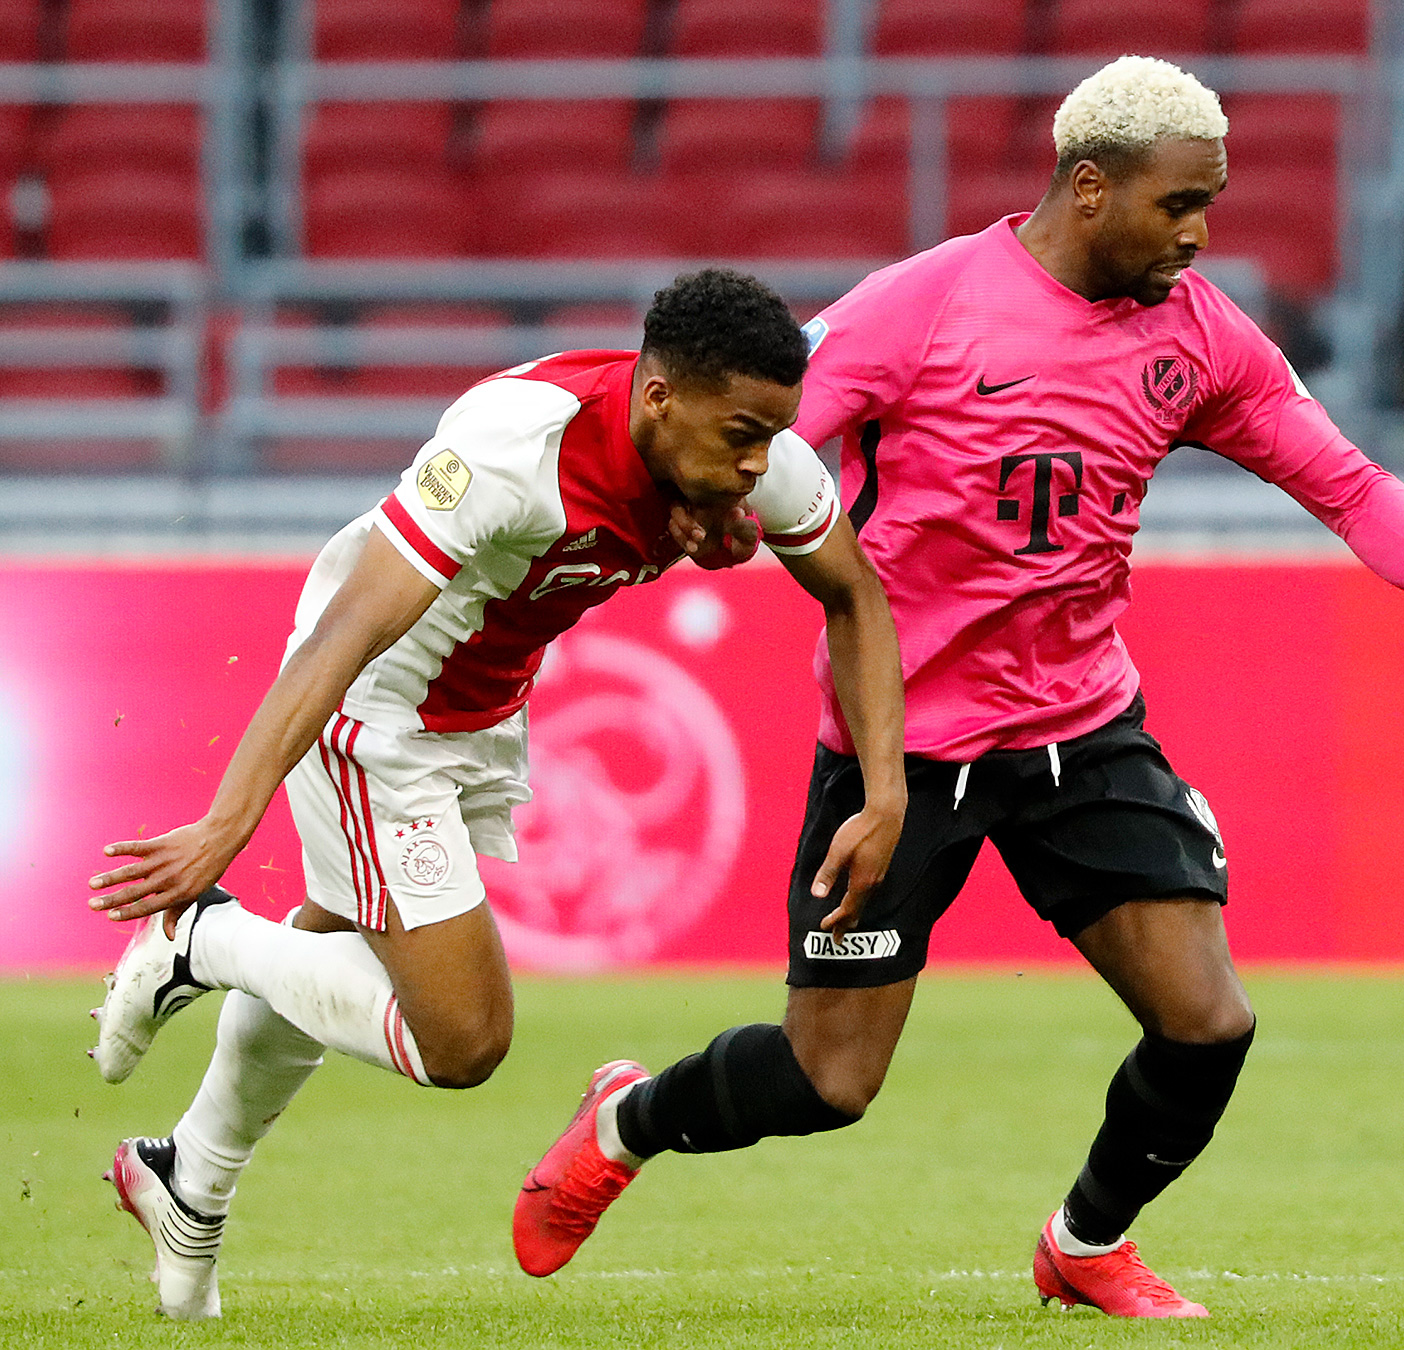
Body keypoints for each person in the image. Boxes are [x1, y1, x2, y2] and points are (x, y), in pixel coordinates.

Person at [506, 56, 1404, 1319]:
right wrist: (710, 522)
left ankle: (1085, 1242)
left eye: (1211, 202)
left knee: (1208, 1022)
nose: (1199, 232)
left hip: (1083, 732)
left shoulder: (1203, 336)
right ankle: (627, 1122)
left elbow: (1347, 480)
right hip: (903, 750)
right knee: (827, 1084)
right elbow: (763, 442)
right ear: (1089, 188)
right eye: (1180, 204)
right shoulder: (923, 307)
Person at [83, 269, 909, 1320]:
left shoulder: (746, 464)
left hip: (480, 709)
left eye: (772, 437)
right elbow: (350, 631)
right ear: (659, 396)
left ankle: (187, 1180)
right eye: (742, 434)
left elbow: (857, 596)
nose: (760, 463)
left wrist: (884, 789)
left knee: (333, 950)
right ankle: (201, 939)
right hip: (374, 709)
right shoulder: (513, 447)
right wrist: (228, 820)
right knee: (463, 1038)